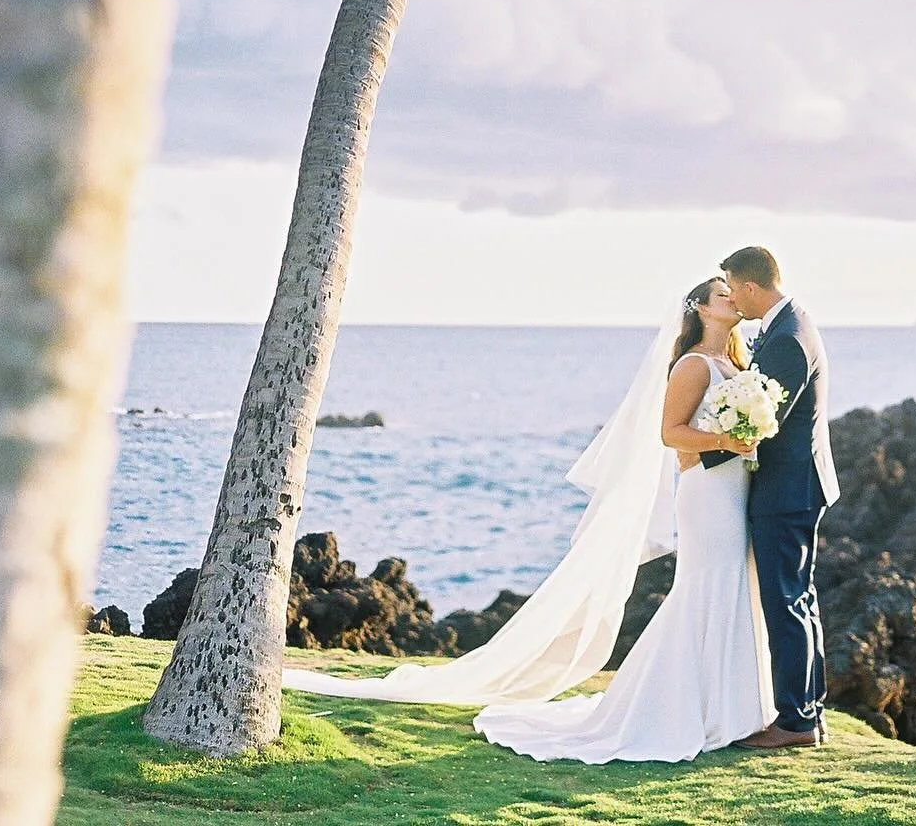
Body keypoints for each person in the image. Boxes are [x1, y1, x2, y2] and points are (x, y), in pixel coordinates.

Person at [282, 275, 784, 762]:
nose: (732, 299)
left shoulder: (736, 362)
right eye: (722, 294)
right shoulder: (693, 365)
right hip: (706, 495)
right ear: (701, 308)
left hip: (736, 489)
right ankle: (682, 707)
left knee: (735, 586)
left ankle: (731, 709)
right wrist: (726, 439)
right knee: (705, 588)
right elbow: (671, 434)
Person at [705, 245, 839, 749]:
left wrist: (700, 456)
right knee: (799, 598)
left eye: (733, 289)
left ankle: (796, 723)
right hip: (798, 485)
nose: (733, 301)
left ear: (750, 286)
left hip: (787, 489)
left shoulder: (787, 340)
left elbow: (763, 421)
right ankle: (809, 713)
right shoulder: (792, 324)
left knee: (784, 601)